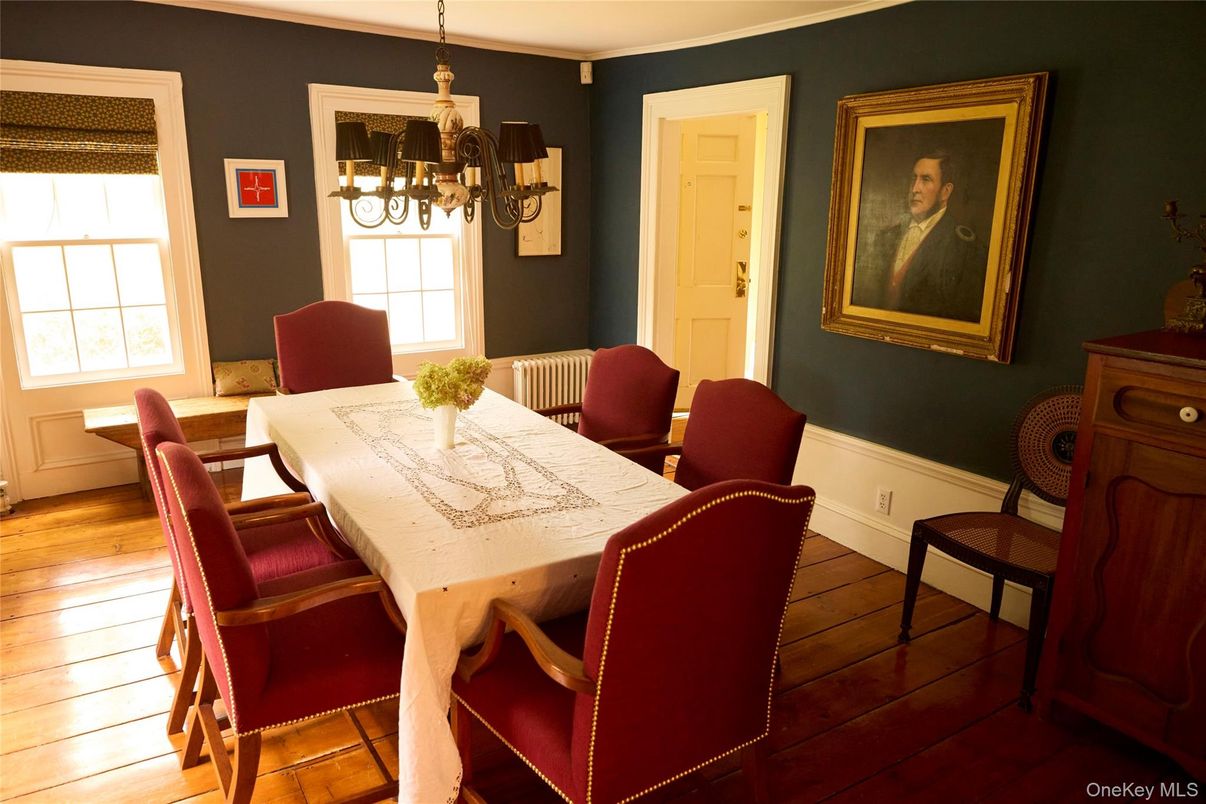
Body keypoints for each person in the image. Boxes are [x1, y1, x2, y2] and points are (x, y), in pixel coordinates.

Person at [853, 149, 988, 322]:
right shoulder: (886, 237)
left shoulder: (966, 248)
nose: (915, 189)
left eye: (926, 179)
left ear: (945, 191)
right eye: (913, 179)